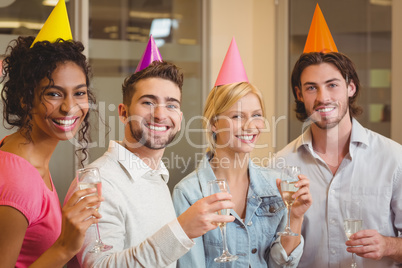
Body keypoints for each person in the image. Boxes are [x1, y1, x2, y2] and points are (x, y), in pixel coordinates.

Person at [66, 37, 235, 267]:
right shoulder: (98, 181)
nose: (160, 114)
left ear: (180, 118)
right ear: (124, 112)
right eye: (148, 102)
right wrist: (182, 229)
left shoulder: (157, 177)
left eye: (171, 105)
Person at [172, 38, 312, 267]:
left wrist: (295, 217)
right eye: (237, 116)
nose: (250, 126)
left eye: (256, 115)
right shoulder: (189, 193)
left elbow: (280, 264)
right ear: (214, 124)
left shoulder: (274, 186)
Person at [271, 51, 402, 267]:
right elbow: (272, 259)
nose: (323, 97)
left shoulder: (394, 159)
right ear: (299, 94)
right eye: (311, 87)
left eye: (332, 85)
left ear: (351, 87)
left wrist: (388, 246)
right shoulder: (278, 166)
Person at [0, 36, 102, 267]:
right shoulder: (19, 181)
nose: (69, 107)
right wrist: (65, 246)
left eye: (79, 93)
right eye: (54, 94)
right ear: (25, 99)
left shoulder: (21, 153)